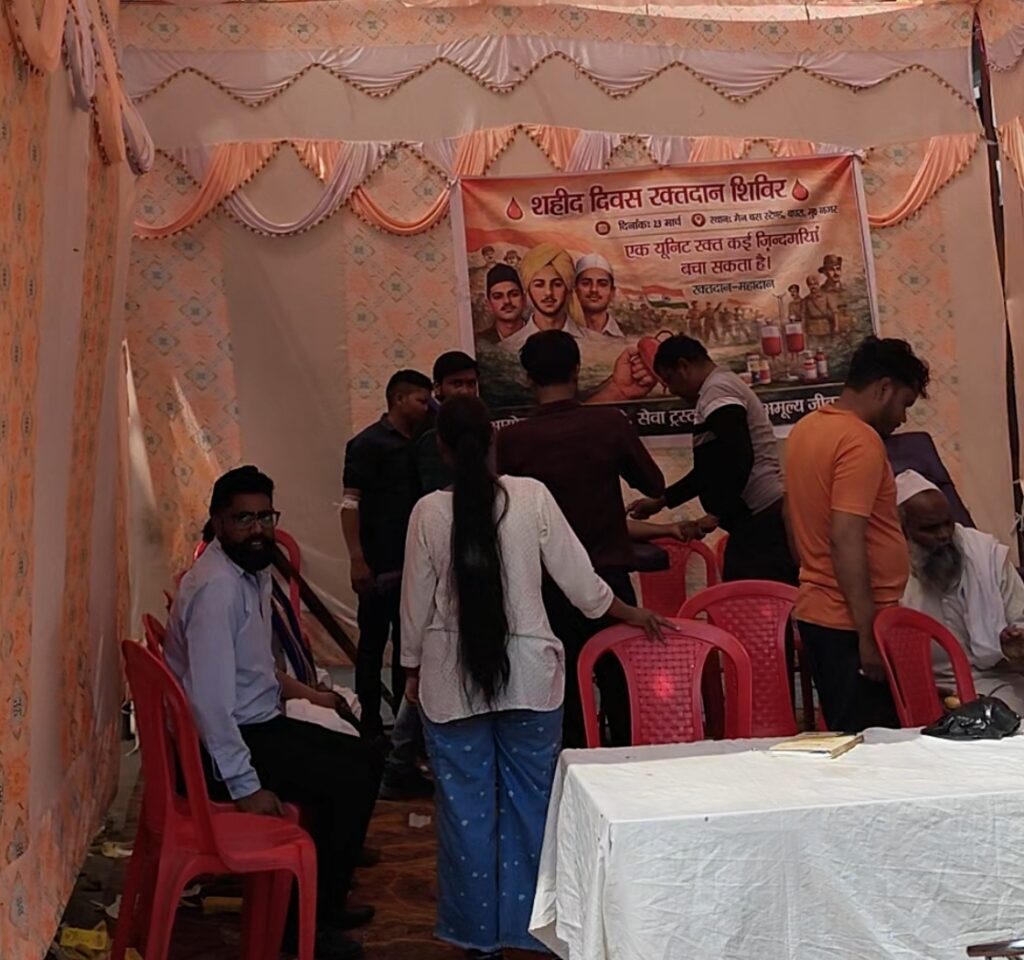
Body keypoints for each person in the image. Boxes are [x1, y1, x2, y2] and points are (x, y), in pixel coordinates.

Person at [401, 396, 670, 960]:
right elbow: (582, 583)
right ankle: (535, 930)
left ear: (443, 449)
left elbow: (414, 606)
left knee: (466, 811)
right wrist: (628, 612)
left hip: (449, 683)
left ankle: (478, 938)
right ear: (492, 442)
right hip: (531, 676)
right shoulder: (531, 497)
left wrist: (411, 668)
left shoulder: (427, 512)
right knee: (534, 807)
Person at [167, 467, 381, 960]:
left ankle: (321, 899)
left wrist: (308, 694)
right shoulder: (218, 589)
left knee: (364, 758)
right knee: (351, 777)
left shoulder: (250, 571)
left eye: (265, 516)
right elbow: (209, 703)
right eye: (243, 519)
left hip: (254, 724)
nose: (258, 529)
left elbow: (255, 669)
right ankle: (303, 929)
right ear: (218, 523)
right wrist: (245, 787)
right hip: (221, 750)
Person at [496, 330, 665, 746]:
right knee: (621, 688)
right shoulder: (609, 424)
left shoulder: (511, 440)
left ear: (527, 377)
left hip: (545, 587)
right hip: (609, 577)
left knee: (563, 694)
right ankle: (625, 769)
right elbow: (654, 484)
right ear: (576, 370)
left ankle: (571, 772)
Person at [785, 336, 930, 732]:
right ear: (884, 388)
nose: (902, 419)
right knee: (873, 743)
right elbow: (845, 536)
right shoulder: (859, 440)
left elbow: (789, 515)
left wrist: (814, 574)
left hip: (820, 612)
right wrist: (868, 634)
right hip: (852, 623)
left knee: (848, 733)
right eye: (904, 404)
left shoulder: (805, 429)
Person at [629, 335, 797, 584]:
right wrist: (662, 501)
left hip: (759, 518)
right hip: (753, 519)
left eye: (670, 380)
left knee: (752, 599)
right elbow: (710, 469)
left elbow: (738, 457)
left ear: (683, 366)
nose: (673, 391)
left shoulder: (718, 391)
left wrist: (717, 513)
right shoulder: (717, 390)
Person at [341, 370, 434, 800]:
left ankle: (402, 731)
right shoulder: (366, 444)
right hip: (379, 566)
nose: (427, 406)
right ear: (397, 398)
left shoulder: (425, 443)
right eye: (421, 399)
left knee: (408, 648)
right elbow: (350, 504)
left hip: (416, 567)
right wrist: (357, 558)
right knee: (373, 643)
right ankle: (370, 728)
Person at [897, 470, 1024, 714]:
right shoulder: (892, 570)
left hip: (998, 681)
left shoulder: (987, 557)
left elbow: (1020, 619)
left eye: (948, 523)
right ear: (903, 531)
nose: (944, 535)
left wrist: (1016, 646)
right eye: (930, 529)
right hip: (930, 688)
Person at [416, 351, 480, 496]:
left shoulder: (471, 419)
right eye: (457, 384)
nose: (465, 391)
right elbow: (438, 489)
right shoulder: (431, 429)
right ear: (437, 387)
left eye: (471, 384)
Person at [504, 242, 589, 346]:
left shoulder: (595, 345)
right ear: (528, 288)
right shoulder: (509, 348)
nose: (548, 292)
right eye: (539, 285)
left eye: (557, 284)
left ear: (568, 287)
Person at [574, 253, 623, 338]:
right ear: (575, 290)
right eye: (586, 283)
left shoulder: (627, 334)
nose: (594, 289)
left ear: (612, 292)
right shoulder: (563, 335)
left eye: (602, 284)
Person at [478, 265, 526, 345]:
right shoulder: (480, 343)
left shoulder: (538, 335)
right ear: (489, 304)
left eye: (514, 295)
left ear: (524, 299)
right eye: (498, 297)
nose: (507, 301)